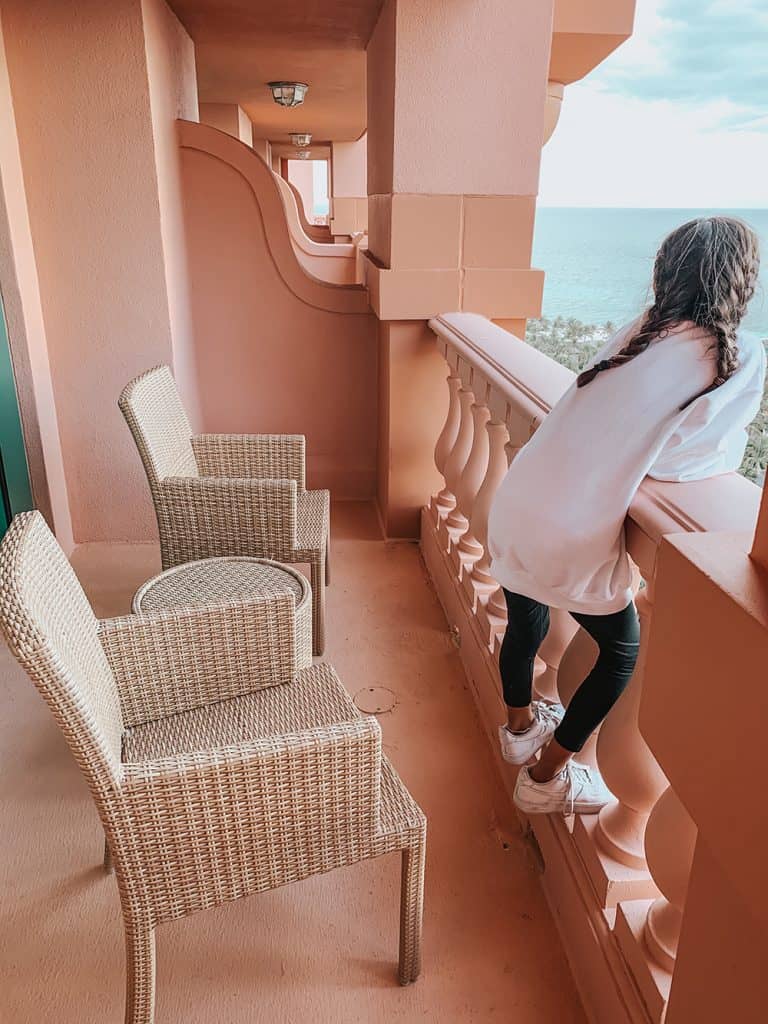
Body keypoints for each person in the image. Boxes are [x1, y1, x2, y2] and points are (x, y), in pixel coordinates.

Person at [486, 216, 765, 816]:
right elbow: (684, 459)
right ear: (740, 283)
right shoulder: (733, 357)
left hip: (519, 498)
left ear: (668, 272)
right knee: (619, 654)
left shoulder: (641, 330)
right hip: (568, 525)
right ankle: (544, 777)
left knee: (526, 617)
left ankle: (518, 733)